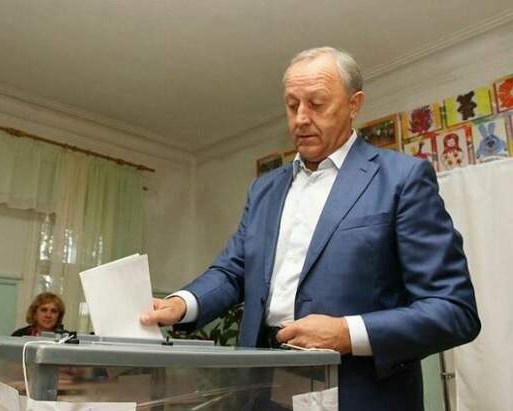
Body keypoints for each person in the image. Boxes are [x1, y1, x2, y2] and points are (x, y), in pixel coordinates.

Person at [141, 47, 481, 411]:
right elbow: (234, 270)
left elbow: (453, 310)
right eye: (292, 106)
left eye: (317, 104)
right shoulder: (264, 189)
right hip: (260, 386)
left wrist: (347, 333)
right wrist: (182, 303)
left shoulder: (401, 179)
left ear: (354, 105)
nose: (301, 119)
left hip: (358, 392)